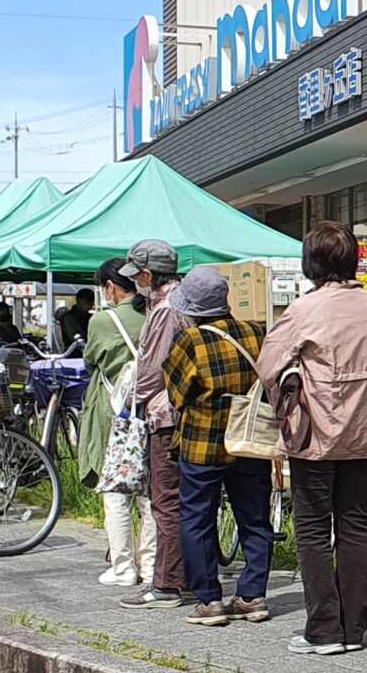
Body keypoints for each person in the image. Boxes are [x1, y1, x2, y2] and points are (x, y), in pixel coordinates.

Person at [260, 222, 367, 654]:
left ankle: (323, 629)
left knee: (314, 528)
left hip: (317, 429)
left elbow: (267, 363)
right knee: (355, 522)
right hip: (366, 427)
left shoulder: (305, 310)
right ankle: (354, 629)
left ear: (310, 265)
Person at [162, 266, 273, 626]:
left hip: (203, 445)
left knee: (197, 519)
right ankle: (253, 596)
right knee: (255, 518)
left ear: (191, 308)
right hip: (250, 440)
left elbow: (177, 395)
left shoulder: (189, 341)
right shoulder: (257, 333)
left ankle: (209, 600)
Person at [122, 239, 193, 609]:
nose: (135, 282)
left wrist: (133, 400)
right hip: (186, 411)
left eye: (137, 276)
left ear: (148, 274)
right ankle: (193, 577)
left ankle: (167, 584)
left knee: (166, 501)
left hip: (166, 413)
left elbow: (154, 369)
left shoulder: (166, 308)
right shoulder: (181, 300)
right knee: (189, 501)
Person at [77, 258, 154, 589]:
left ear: (110, 287)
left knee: (116, 492)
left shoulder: (103, 320)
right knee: (150, 495)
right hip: (151, 410)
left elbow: (91, 360)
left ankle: (123, 567)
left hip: (117, 415)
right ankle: (152, 566)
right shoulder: (154, 313)